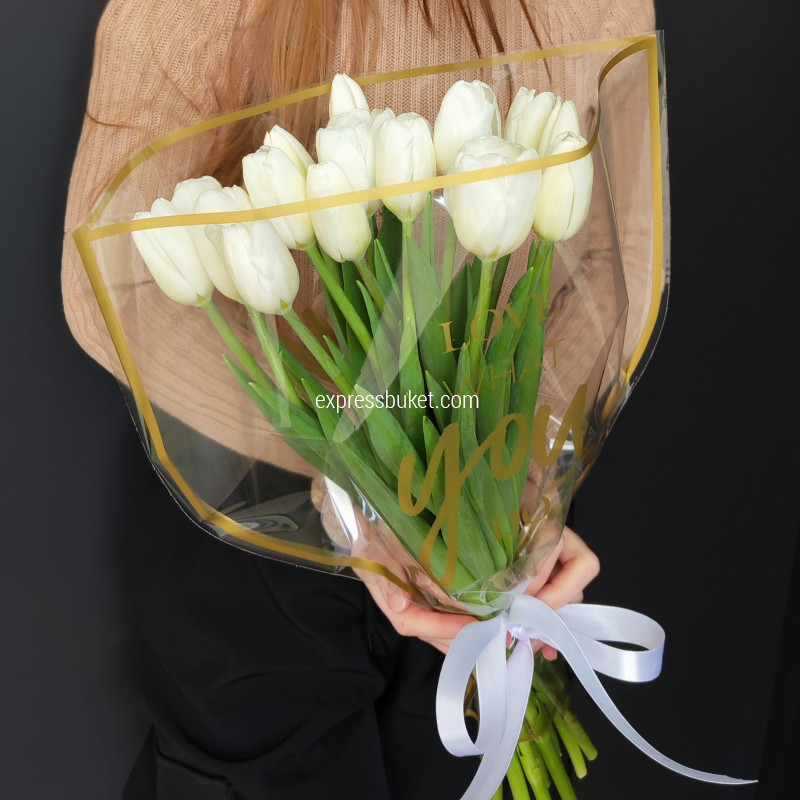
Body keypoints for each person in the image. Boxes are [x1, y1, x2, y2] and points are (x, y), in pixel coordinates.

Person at [62, 1, 654, 797]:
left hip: (490, 516)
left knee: (471, 767)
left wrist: (521, 481)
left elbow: (623, 244)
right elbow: (109, 285)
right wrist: (364, 493)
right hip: (261, 536)